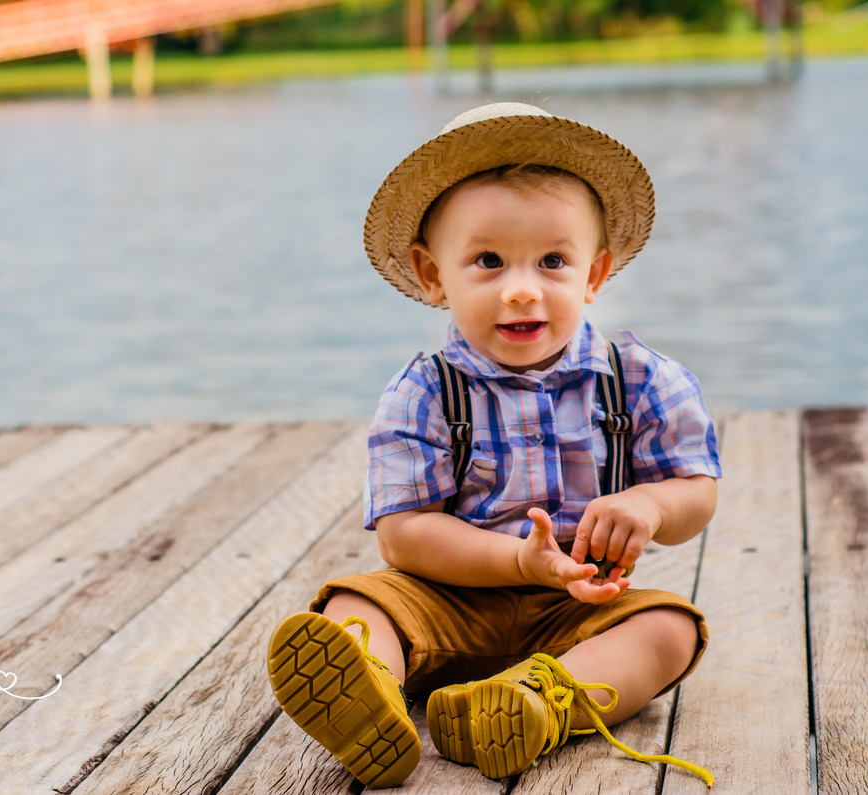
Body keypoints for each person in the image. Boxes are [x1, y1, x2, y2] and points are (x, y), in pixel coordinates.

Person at [266, 102, 721, 789]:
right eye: (486, 260)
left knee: (670, 630)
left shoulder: (641, 380)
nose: (520, 289)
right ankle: (371, 689)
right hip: (445, 597)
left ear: (594, 275)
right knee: (352, 605)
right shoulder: (423, 391)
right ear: (431, 274)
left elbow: (698, 489)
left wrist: (652, 506)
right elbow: (403, 536)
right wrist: (516, 559)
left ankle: (535, 701)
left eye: (552, 261)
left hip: (578, 606)